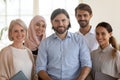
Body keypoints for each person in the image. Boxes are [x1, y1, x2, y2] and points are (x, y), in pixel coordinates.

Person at [36, 8, 92, 80]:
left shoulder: (79, 40)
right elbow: (40, 68)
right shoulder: (45, 43)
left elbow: (87, 64)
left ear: (68, 21)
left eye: (63, 20)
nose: (60, 24)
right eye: (56, 21)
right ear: (51, 22)